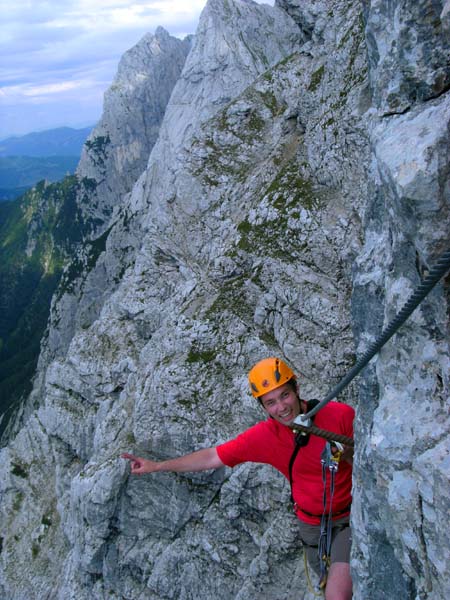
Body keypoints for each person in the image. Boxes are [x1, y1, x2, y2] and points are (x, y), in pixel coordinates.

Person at [122, 357, 354, 600]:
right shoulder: (266, 437)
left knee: (337, 595)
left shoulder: (339, 416)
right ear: (263, 407)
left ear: (297, 390)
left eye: (285, 395)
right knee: (330, 583)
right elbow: (212, 457)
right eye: (271, 402)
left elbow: (370, 462)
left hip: (349, 518)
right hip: (312, 527)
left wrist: (347, 453)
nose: (281, 407)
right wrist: (158, 466)